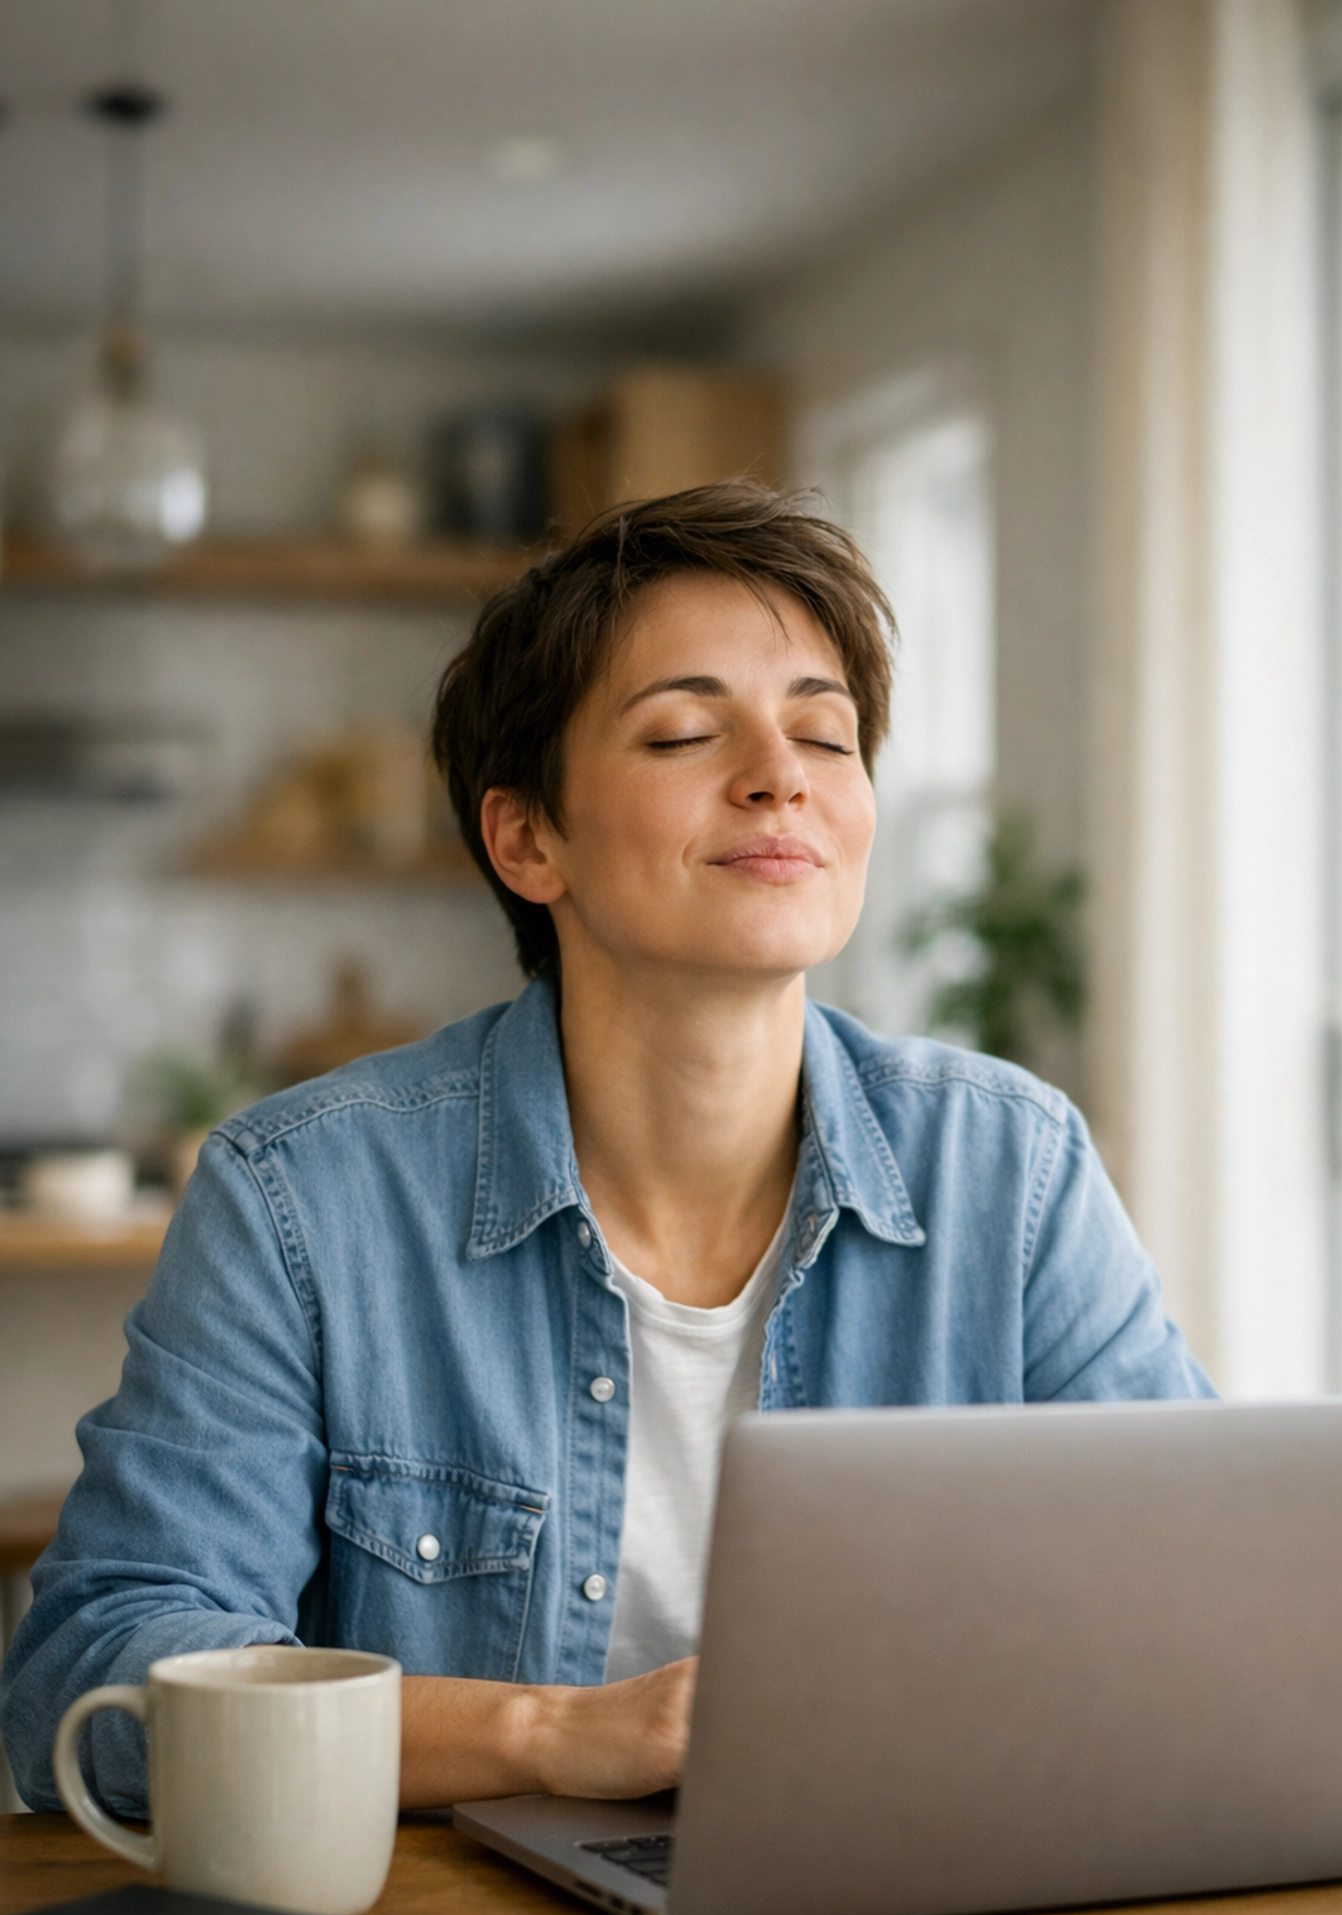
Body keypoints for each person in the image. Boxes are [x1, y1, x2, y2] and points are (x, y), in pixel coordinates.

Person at [0, 482, 1211, 1818]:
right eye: (688, 731)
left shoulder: (1013, 1172)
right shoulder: (301, 1201)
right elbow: (90, 1688)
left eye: (826, 732)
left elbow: (1202, 1605)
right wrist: (543, 1735)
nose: (781, 775)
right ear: (528, 838)